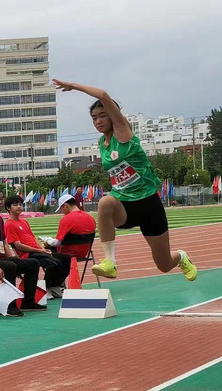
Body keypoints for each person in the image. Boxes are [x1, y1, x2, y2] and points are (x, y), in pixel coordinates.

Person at [52, 79, 197, 281]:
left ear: (113, 116)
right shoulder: (103, 142)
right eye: (94, 118)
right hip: (125, 206)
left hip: (149, 205)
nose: (98, 121)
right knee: (105, 202)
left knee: (163, 264)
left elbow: (102, 94)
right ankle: (110, 262)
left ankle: (182, 257)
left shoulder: (123, 132)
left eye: (103, 116)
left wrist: (73, 87)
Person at [0, 188, 46, 316]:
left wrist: (14, 259)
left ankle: (28, 302)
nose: (0, 202)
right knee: (10, 266)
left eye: (1, 199)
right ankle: (9, 306)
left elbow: (4, 243)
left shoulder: (0, 219)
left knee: (33, 263)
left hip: (1, 259)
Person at [4, 195, 71, 299]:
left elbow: (33, 237)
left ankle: (54, 285)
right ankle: (47, 287)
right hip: (28, 255)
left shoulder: (24, 222)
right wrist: (39, 250)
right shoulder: (9, 225)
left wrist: (43, 249)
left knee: (66, 259)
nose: (19, 207)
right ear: (8, 208)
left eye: (21, 204)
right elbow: (18, 246)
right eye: (15, 205)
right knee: (55, 263)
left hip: (38, 252)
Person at [46, 194, 97, 260]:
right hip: (84, 253)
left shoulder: (66, 219)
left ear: (66, 206)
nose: (61, 212)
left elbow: (56, 243)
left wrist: (48, 240)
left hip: (67, 254)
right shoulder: (90, 218)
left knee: (45, 252)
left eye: (61, 208)